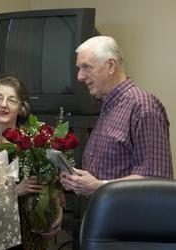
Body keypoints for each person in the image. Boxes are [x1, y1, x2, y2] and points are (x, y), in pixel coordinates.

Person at [60, 36, 173, 196]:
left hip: (130, 218)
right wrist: (80, 181)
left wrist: (99, 186)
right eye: (80, 68)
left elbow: (156, 178)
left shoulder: (141, 105)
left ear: (111, 66)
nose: (80, 76)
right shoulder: (108, 105)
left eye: (86, 67)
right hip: (107, 215)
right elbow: (108, 171)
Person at [0, 75, 63, 250]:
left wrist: (58, 212)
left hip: (30, 238)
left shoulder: (36, 141)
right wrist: (14, 191)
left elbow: (54, 184)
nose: (3, 104)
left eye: (11, 100)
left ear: (21, 108)